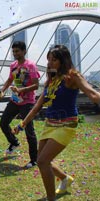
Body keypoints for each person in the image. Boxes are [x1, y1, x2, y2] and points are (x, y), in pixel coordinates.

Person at [13, 45, 100, 201]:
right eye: (49, 60)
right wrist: (22, 125)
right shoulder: (51, 81)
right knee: (43, 160)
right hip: (50, 124)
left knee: (42, 161)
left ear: (63, 60)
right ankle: (65, 179)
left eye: (54, 60)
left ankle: (51, 198)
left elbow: (93, 94)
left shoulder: (73, 76)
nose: (50, 63)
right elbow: (37, 107)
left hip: (66, 124)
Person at [0, 41, 40, 168]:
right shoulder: (13, 65)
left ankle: (34, 160)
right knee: (3, 123)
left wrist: (21, 90)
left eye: (17, 51)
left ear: (24, 51)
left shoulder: (30, 65)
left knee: (29, 131)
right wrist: (2, 90)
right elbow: (10, 80)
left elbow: (36, 85)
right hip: (15, 100)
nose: (15, 53)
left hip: (27, 103)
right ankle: (14, 142)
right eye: (14, 51)